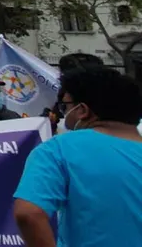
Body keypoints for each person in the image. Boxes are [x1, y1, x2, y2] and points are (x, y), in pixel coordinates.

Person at [13, 66, 142, 246]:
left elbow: (28, 214)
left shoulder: (58, 149)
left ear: (82, 110)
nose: (63, 114)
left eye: (64, 106)